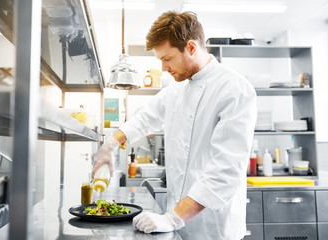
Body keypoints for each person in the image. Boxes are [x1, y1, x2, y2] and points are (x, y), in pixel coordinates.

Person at [92, 11, 257, 240]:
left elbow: (227, 169)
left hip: (214, 228)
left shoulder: (235, 88)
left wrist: (172, 218)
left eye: (167, 59)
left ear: (190, 47)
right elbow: (144, 118)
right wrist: (110, 144)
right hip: (176, 224)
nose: (163, 68)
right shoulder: (176, 88)